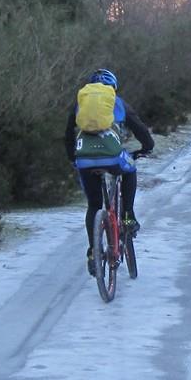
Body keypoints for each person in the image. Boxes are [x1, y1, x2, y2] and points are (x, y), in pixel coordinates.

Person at [65, 68, 154, 275]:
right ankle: (128, 216)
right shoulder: (118, 102)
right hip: (112, 157)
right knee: (129, 169)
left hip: (84, 159)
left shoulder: (80, 104)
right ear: (113, 87)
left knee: (94, 205)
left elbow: (69, 134)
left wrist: (73, 158)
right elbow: (139, 127)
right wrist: (147, 147)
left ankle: (93, 253)